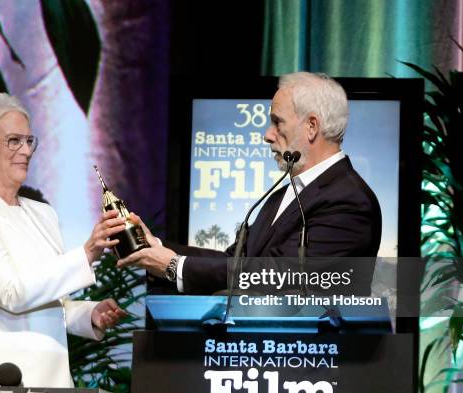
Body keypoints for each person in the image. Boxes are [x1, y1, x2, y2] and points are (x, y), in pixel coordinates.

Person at [0, 93, 127, 393]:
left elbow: (50, 300)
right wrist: (86, 254)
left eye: (29, 140)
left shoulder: (43, 215)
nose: (26, 151)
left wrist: (89, 314)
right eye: (14, 141)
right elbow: (11, 292)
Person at [118, 72, 382, 295]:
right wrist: (157, 248)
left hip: (310, 354)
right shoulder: (282, 195)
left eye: (277, 123)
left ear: (311, 126)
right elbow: (234, 262)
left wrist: (175, 266)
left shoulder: (349, 201)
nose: (268, 135)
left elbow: (280, 275)